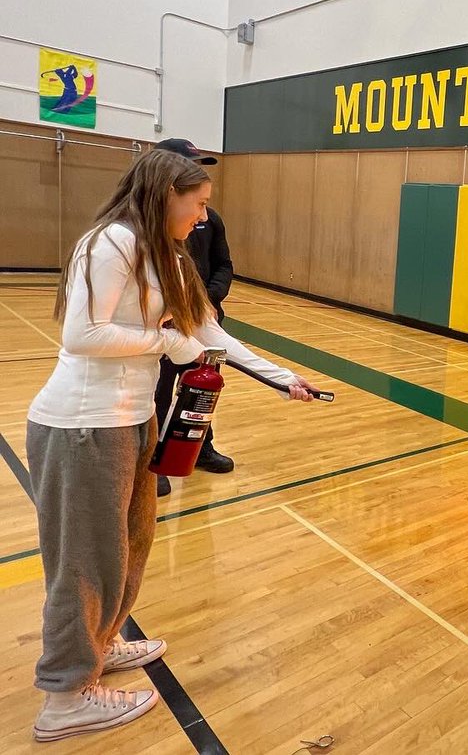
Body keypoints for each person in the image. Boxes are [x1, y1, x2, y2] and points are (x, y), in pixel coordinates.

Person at [25, 148, 318, 742]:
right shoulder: (112, 243)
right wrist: (165, 344)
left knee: (129, 546)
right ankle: (64, 697)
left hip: (135, 422)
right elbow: (82, 334)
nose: (205, 217)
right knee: (86, 560)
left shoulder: (171, 257)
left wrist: (284, 377)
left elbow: (209, 333)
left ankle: (100, 642)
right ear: (166, 195)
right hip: (83, 426)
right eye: (199, 204)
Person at [152, 138, 234, 497]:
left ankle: (201, 447)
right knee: (159, 392)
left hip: (205, 320)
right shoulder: (152, 230)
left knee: (201, 390)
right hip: (167, 327)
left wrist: (208, 299)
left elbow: (224, 265)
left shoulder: (209, 220)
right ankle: (154, 458)